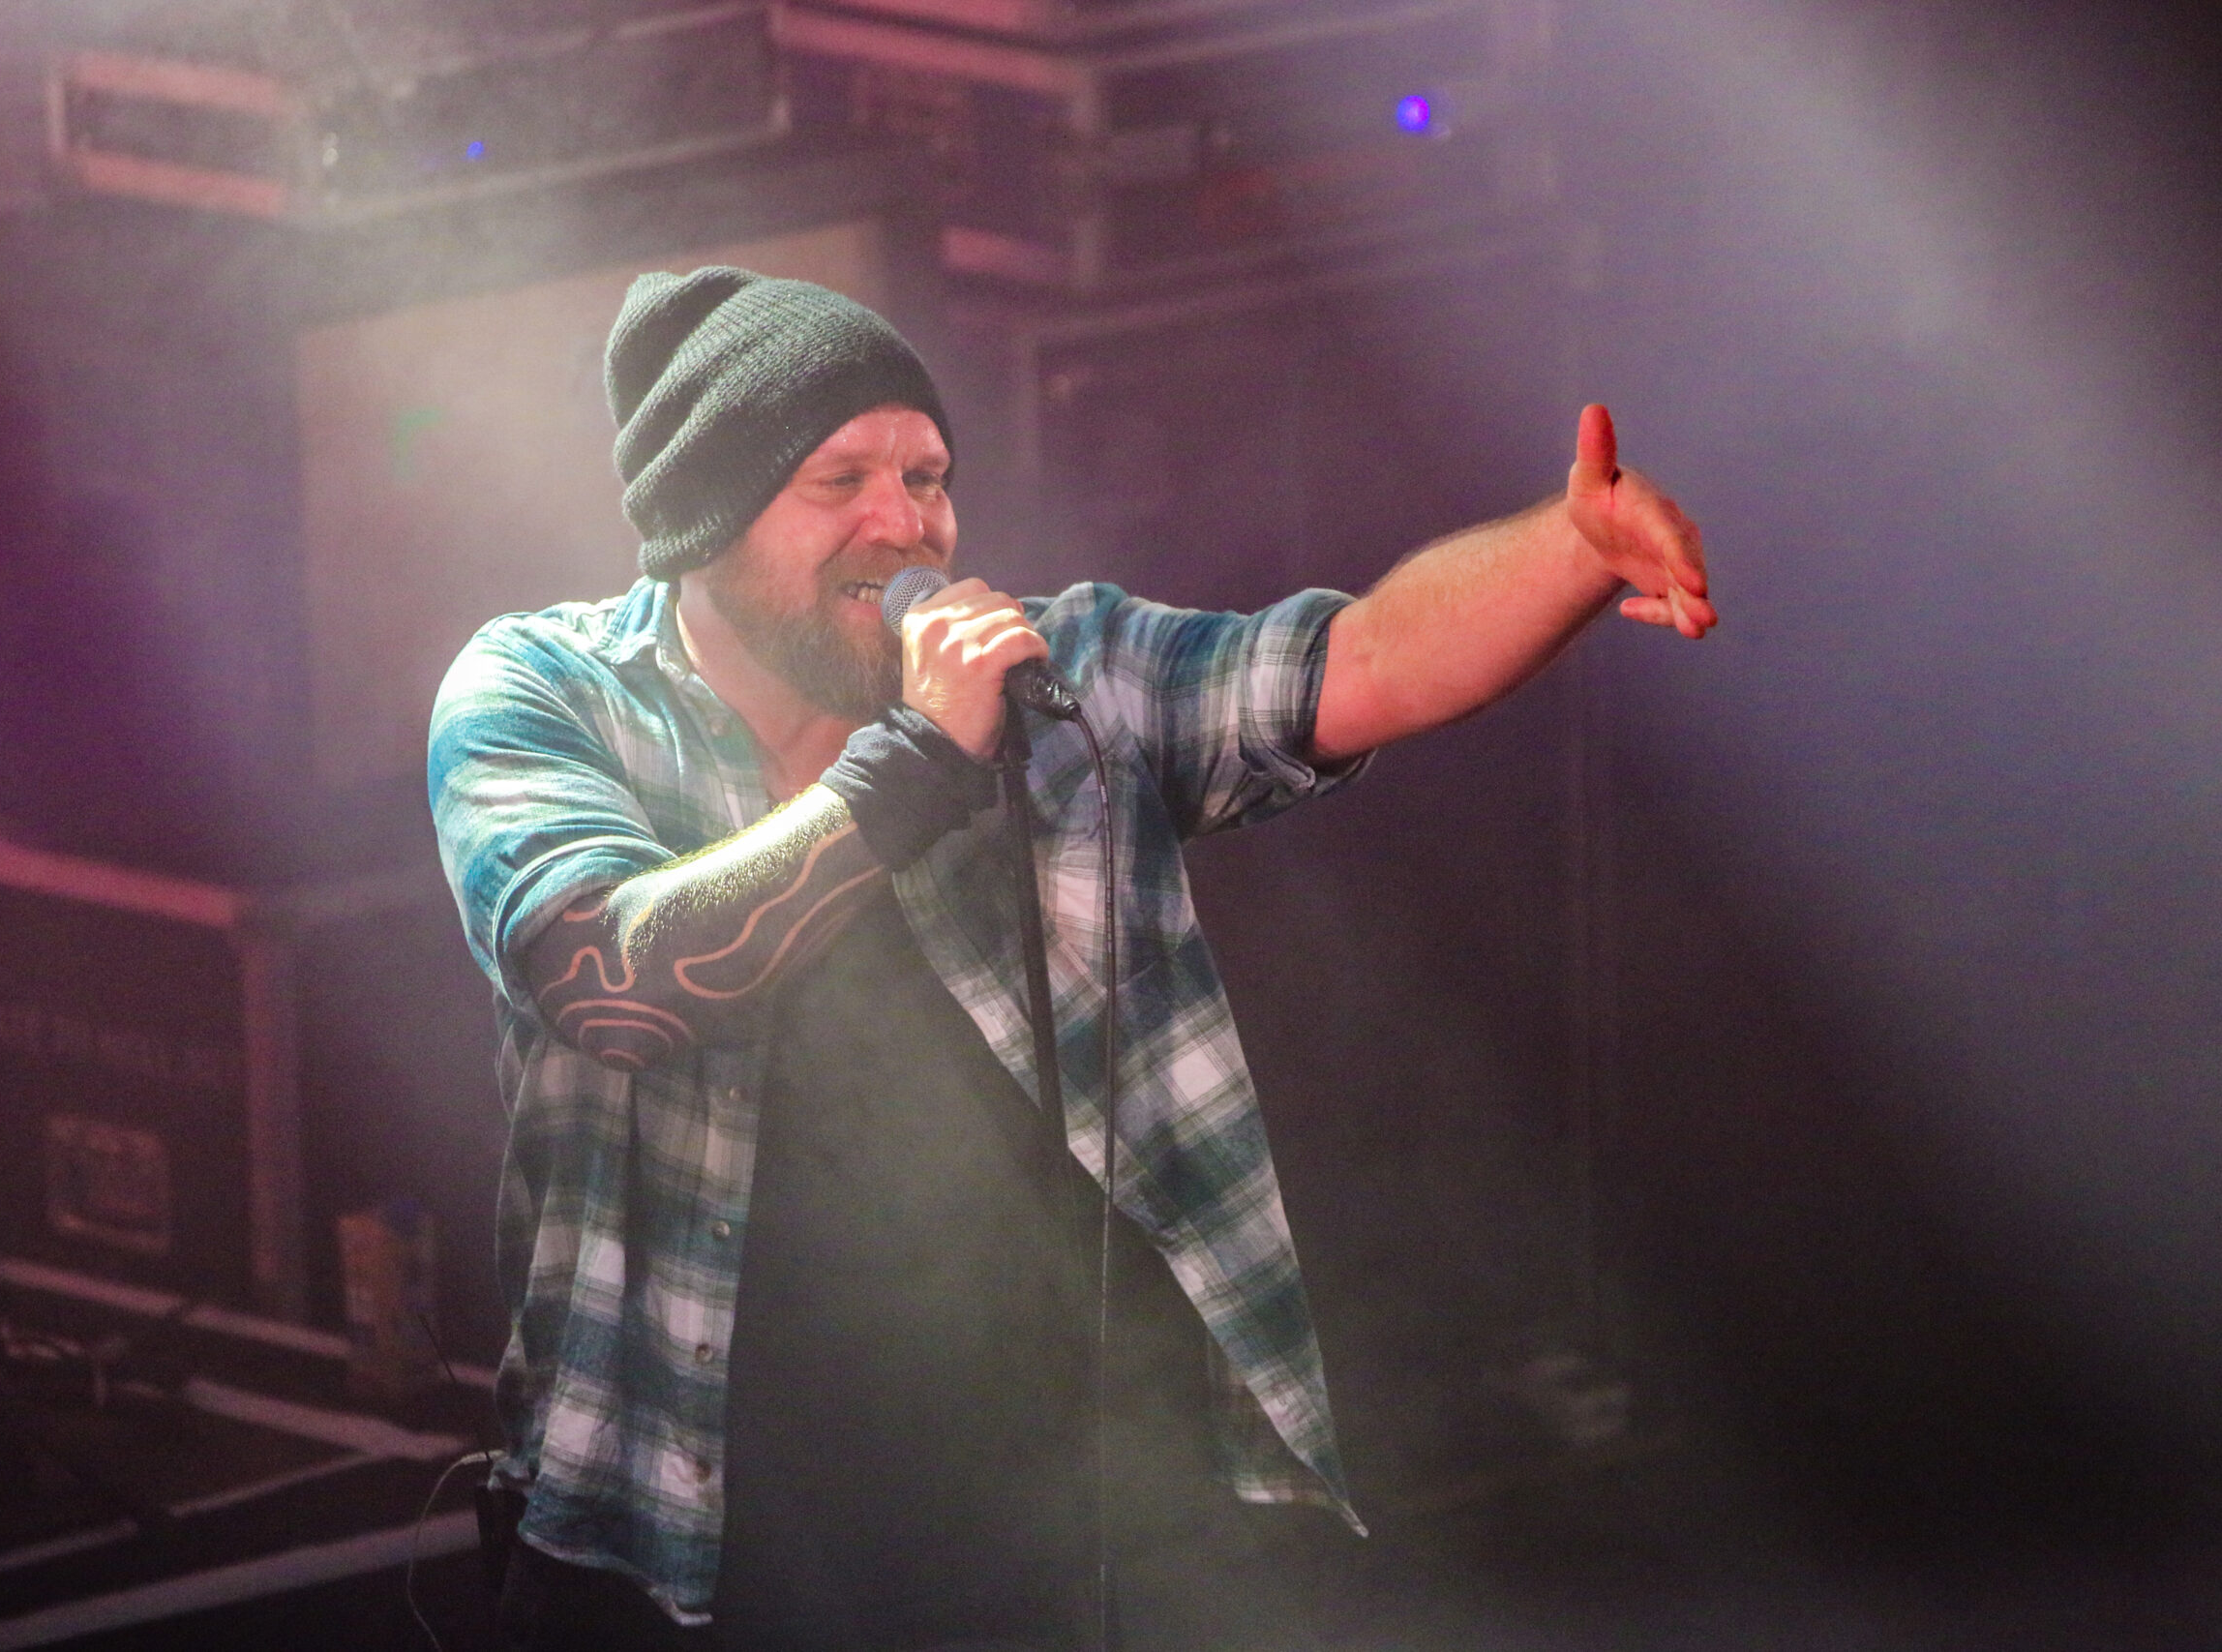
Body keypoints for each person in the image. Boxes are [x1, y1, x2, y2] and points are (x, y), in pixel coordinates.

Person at [430, 267, 1713, 1652]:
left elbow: (1357, 663)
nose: (904, 523)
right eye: (840, 480)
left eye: (927, 476)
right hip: (680, 1536)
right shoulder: (544, 696)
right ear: (704, 517)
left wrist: (1570, 552)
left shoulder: (1055, 677)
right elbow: (613, 982)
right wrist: (918, 758)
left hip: (1045, 1523)